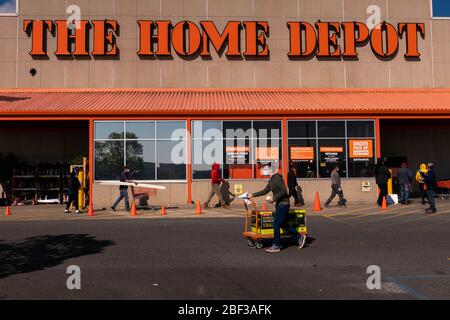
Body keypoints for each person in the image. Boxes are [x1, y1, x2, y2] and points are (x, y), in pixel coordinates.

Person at [249, 163, 304, 253]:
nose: (263, 169)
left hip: (283, 204)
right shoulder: (271, 180)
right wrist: (252, 195)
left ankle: (276, 245)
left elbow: (284, 190)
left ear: (271, 169)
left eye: (265, 168)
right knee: (282, 224)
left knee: (276, 224)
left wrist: (273, 198)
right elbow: (265, 191)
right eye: (263, 168)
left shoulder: (277, 178)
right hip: (280, 204)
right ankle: (299, 236)